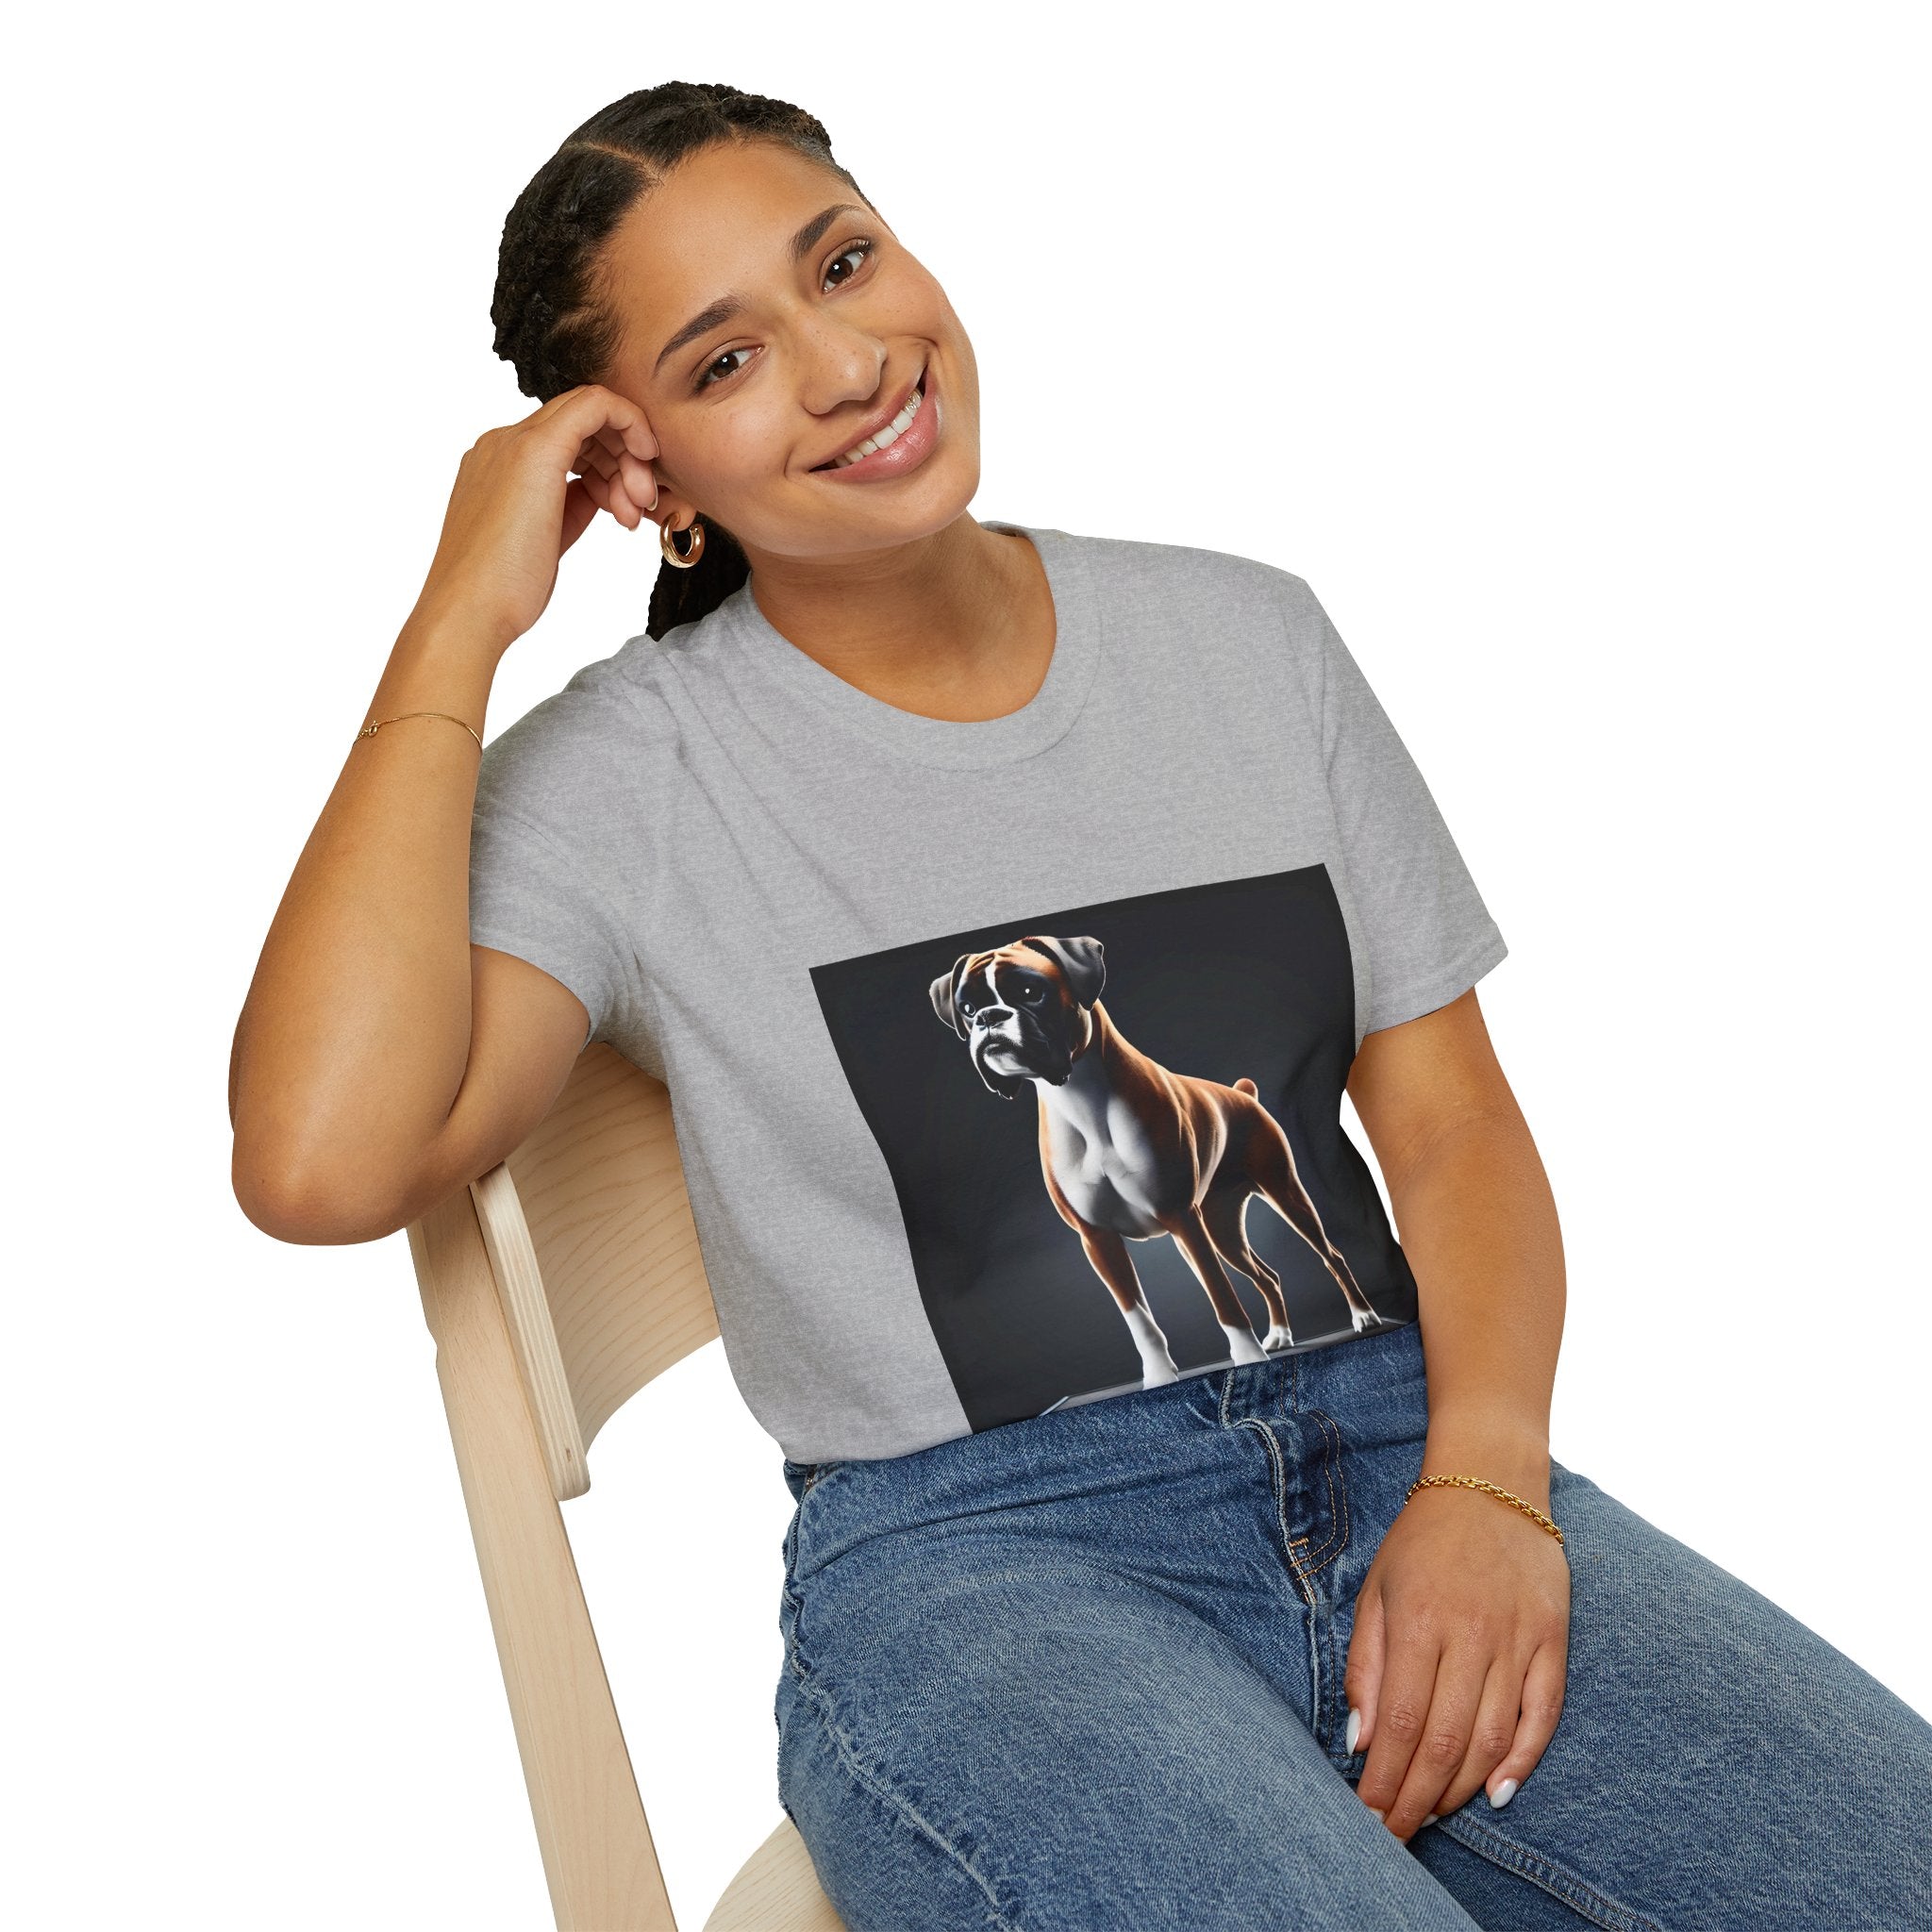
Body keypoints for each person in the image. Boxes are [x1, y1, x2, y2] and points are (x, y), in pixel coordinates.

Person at [228, 81, 1932, 1931]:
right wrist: (455, 620)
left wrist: (1490, 1488)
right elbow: (320, 1159)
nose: (846, 362)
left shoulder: (1248, 642)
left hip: (1402, 1446)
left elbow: (1448, 1129)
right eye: (725, 363)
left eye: (845, 263)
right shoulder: (633, 778)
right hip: (986, 1566)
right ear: (647, 480)